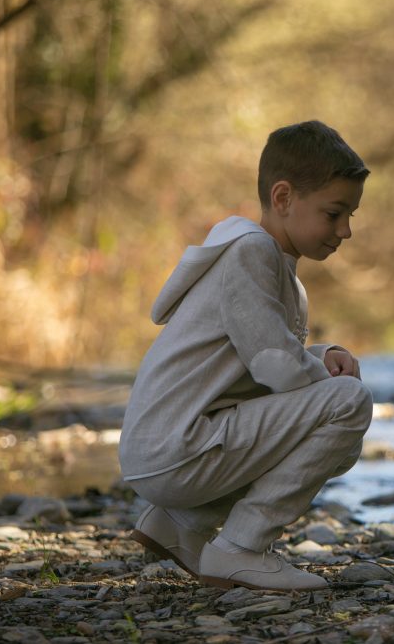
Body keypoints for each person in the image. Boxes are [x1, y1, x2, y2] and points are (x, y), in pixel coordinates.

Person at [118, 121, 373, 591]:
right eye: (335, 213)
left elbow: (260, 358)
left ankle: (180, 524)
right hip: (176, 448)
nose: (346, 231)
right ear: (283, 198)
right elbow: (276, 365)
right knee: (349, 404)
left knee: (337, 409)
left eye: (350, 216)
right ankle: (242, 547)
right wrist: (329, 385)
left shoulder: (282, 275)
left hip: (173, 446)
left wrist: (322, 354)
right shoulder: (251, 253)